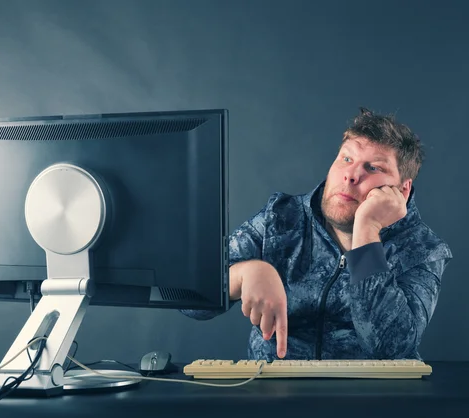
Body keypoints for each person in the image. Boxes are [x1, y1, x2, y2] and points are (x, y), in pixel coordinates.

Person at [180, 107, 453, 362]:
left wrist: (367, 230)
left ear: (402, 191)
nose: (351, 175)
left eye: (373, 168)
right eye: (346, 158)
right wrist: (243, 274)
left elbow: (389, 348)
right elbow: (189, 299)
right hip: (272, 394)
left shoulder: (423, 249)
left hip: (371, 399)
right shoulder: (280, 218)